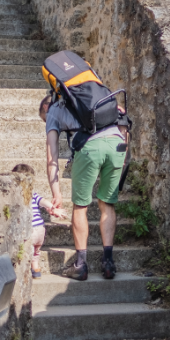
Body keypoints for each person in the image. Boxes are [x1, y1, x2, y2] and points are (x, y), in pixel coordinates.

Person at [40, 93, 127, 280]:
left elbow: (51, 156)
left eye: (44, 120)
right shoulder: (92, 96)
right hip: (117, 143)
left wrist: (56, 192)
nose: (47, 123)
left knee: (80, 207)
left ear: (45, 108)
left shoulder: (53, 110)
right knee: (107, 204)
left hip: (89, 148)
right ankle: (108, 262)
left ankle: (80, 264)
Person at [15, 163, 66, 279]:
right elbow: (43, 201)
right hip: (41, 230)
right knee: (36, 252)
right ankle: (36, 269)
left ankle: (24, 272)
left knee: (24, 250)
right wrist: (54, 209)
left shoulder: (18, 194)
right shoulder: (33, 194)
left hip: (30, 230)